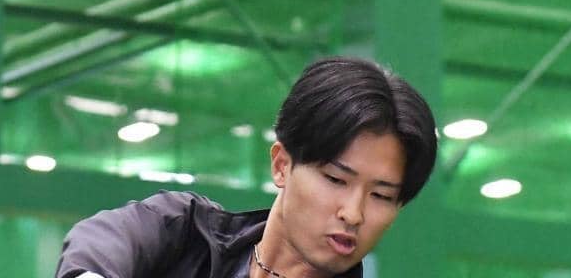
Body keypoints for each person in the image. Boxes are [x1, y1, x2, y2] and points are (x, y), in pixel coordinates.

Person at [55, 57, 438, 278]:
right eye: (336, 179)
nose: (353, 214)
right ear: (282, 164)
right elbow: (100, 243)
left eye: (381, 196)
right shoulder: (186, 234)